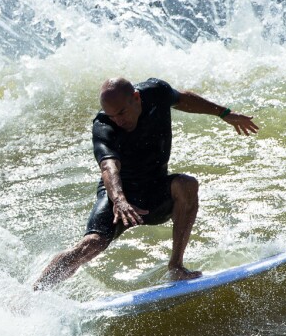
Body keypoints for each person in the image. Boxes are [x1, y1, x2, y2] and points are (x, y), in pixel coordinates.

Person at [33, 77, 259, 290]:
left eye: (122, 112)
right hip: (119, 195)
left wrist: (224, 113)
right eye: (113, 116)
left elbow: (182, 99)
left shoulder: (156, 92)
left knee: (187, 185)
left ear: (136, 98)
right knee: (91, 245)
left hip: (155, 191)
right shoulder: (103, 125)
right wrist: (119, 200)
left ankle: (176, 267)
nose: (118, 121)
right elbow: (108, 167)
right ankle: (35, 294)